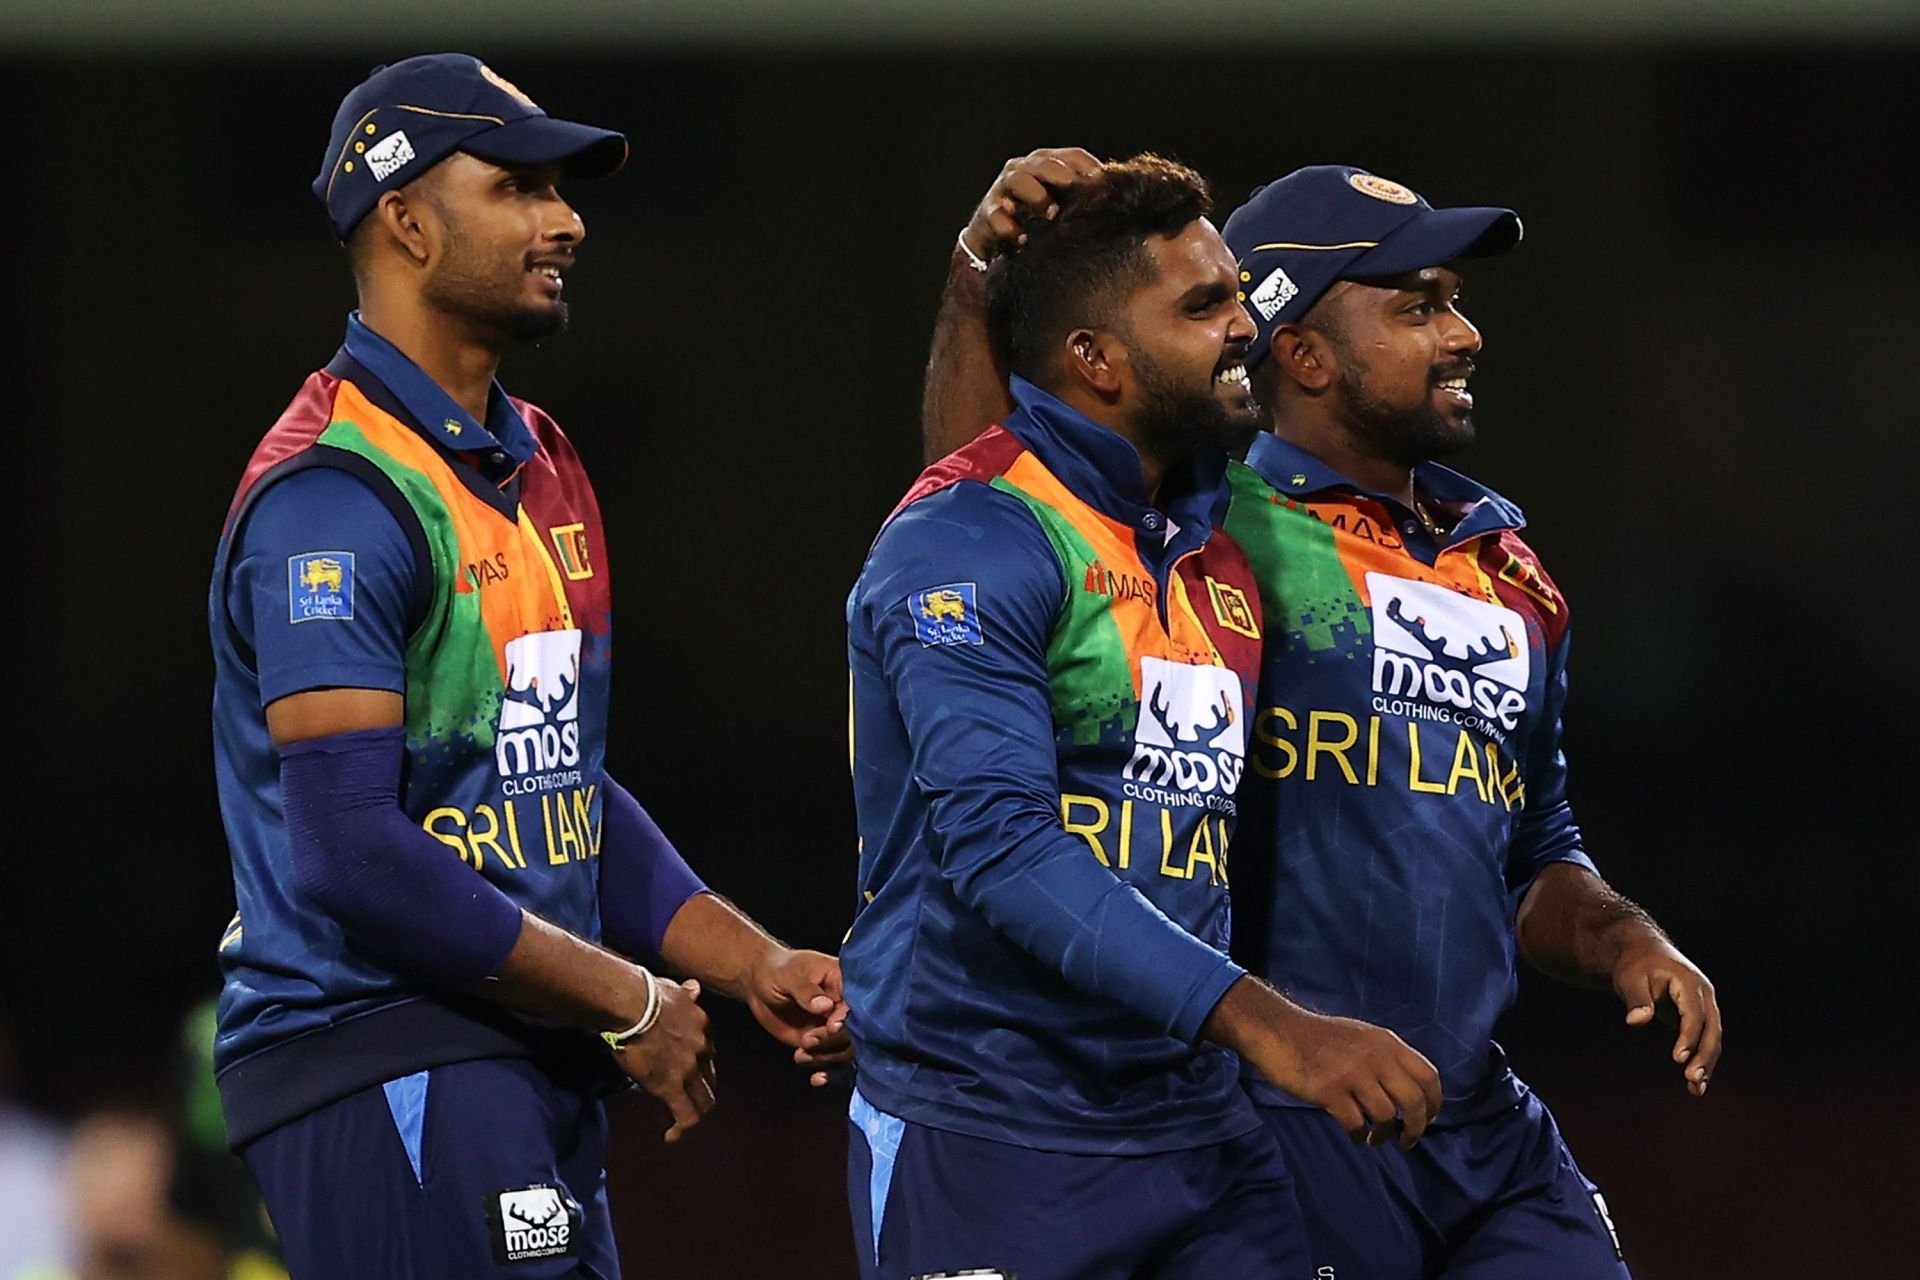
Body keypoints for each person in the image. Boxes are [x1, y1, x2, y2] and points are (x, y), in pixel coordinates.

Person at [926, 154, 1724, 1278]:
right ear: (1297, 348)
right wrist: (973, 286)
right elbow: (998, 512)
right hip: (1282, 1106)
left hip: (1480, 1121)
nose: (1464, 335)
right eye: (1418, 306)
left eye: (1455, 301)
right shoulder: (1211, 527)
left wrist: (1623, 934)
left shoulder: (1511, 571)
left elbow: (1533, 847)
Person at [208, 54, 847, 1278]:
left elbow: (549, 780)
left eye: (561, 189)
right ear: (403, 221)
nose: (567, 220)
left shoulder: (537, 458)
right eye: (517, 187)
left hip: (509, 1050)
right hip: (379, 1049)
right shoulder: (334, 497)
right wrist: (628, 997)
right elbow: (347, 846)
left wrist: (746, 956)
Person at [844, 153, 1442, 1280]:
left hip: (1197, 1132)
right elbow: (1002, 846)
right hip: (991, 1133)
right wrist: (1276, 1026)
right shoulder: (967, 538)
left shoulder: (1211, 546)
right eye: (1205, 303)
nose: (1245, 325)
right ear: (1096, 358)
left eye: (1241, 293)